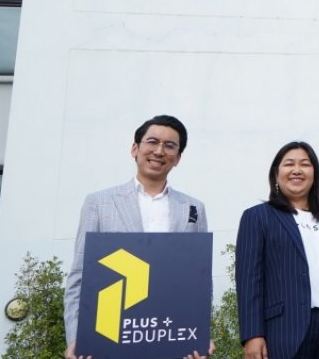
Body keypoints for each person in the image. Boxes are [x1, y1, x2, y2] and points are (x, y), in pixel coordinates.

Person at [63, 114, 210, 359]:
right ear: (135, 148)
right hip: (110, 335)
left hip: (169, 337)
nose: (159, 151)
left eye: (170, 145)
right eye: (152, 142)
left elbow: (200, 281)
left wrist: (199, 335)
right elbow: (80, 276)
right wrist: (76, 339)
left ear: (178, 158)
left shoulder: (193, 208)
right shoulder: (99, 203)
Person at [236, 142, 319, 359]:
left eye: (305, 164)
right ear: (276, 174)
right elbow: (249, 282)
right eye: (289, 164)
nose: (297, 170)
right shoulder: (258, 217)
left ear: (314, 174)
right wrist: (252, 335)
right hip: (283, 331)